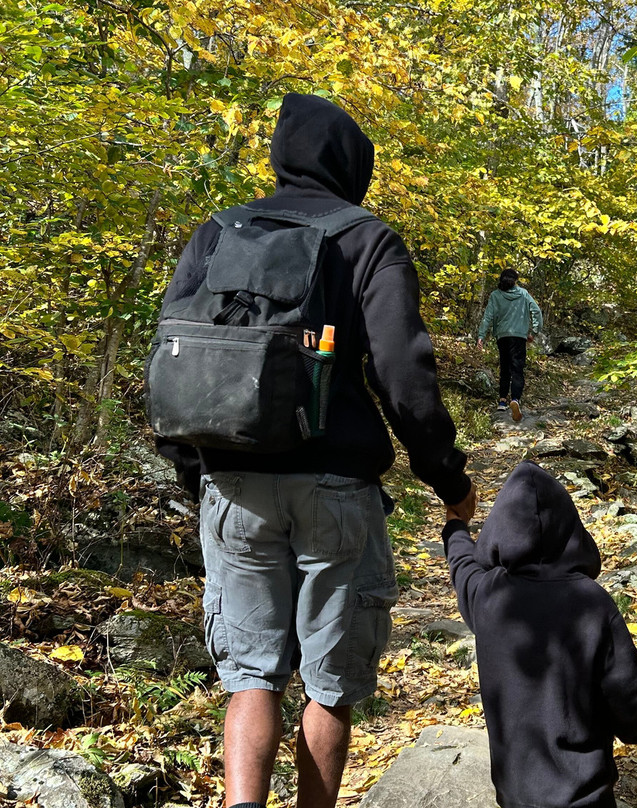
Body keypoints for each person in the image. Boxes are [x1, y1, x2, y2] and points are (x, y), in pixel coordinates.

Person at [154, 92, 477, 808]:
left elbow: (174, 356)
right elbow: (404, 375)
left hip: (231, 480)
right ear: (352, 165)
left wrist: (195, 472)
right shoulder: (367, 238)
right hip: (336, 485)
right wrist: (447, 481)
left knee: (250, 675)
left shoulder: (218, 231)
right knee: (329, 682)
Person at [442, 461, 637, 808]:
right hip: (585, 797)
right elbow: (625, 696)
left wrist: (455, 526)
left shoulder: (489, 596)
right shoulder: (591, 602)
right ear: (571, 531)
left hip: (515, 797)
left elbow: (463, 566)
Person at [476, 268, 542, 422]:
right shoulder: (524, 294)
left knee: (505, 367)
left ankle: (502, 401)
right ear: (515, 280)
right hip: (519, 336)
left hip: (502, 337)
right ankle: (516, 399)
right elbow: (536, 311)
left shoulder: (495, 295)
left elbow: (488, 317)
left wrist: (481, 336)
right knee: (517, 368)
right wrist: (535, 331)